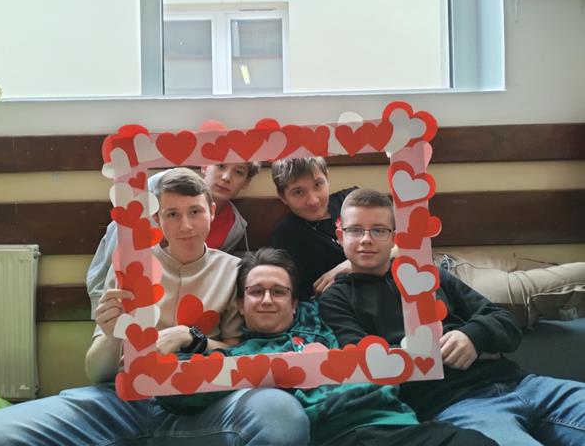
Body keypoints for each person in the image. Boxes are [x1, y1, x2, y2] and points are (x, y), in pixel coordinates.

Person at [0, 168, 308, 446]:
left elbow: (238, 352)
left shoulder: (234, 271)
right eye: (172, 214)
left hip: (205, 401)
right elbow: (97, 372)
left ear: (212, 212)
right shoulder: (132, 264)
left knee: (281, 415)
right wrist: (109, 334)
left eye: (195, 211)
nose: (186, 225)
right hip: (122, 399)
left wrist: (189, 336)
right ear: (156, 220)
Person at [318, 188, 585, 446]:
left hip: (524, 384)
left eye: (379, 230)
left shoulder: (429, 275)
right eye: (356, 230)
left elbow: (506, 323)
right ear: (340, 235)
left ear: (394, 238)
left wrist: (473, 336)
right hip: (458, 405)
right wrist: (436, 352)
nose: (366, 239)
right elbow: (368, 363)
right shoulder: (336, 299)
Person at [159, 247, 496, 446]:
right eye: (256, 292)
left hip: (399, 424)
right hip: (333, 436)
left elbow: (390, 250)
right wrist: (190, 338)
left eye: (278, 292)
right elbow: (174, 393)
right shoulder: (237, 357)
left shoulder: (327, 314)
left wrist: (353, 261)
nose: (267, 300)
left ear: (295, 303)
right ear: (239, 305)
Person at [87, 162, 259, 319]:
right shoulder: (158, 191)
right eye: (221, 166)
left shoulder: (235, 227)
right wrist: (105, 312)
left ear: (246, 182)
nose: (226, 177)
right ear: (205, 166)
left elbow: (213, 278)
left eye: (238, 172)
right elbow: (118, 255)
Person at [269, 157, 356, 300]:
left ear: (327, 178)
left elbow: (396, 241)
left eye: (317, 184)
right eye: (298, 192)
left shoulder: (353, 201)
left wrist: (353, 266)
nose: (313, 201)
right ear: (283, 197)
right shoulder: (285, 237)